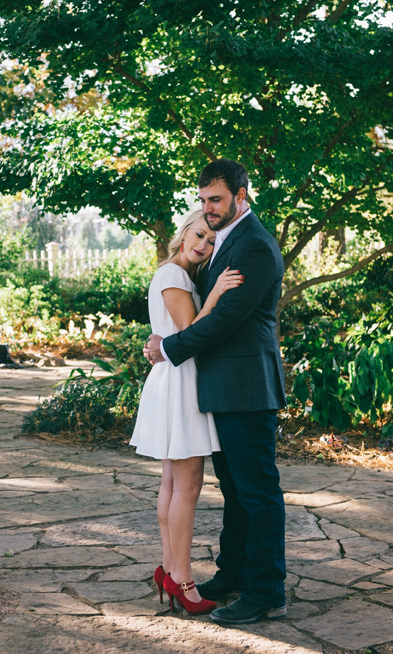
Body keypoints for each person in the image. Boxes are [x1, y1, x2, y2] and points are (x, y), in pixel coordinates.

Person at [143, 158, 288, 625]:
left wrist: (169, 347)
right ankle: (233, 575)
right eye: (203, 200)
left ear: (241, 196)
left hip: (247, 388)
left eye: (217, 200)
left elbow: (226, 320)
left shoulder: (257, 248)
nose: (208, 209)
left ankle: (266, 592)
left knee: (258, 492)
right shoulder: (225, 242)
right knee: (235, 491)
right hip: (220, 390)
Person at [129, 209, 244, 616]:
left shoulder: (173, 274)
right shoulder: (175, 276)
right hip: (180, 385)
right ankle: (182, 579)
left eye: (212, 242)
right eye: (199, 235)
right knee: (188, 486)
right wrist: (215, 297)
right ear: (184, 233)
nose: (203, 245)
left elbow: (175, 333)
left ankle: (169, 568)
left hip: (174, 380)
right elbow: (193, 331)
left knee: (172, 483)